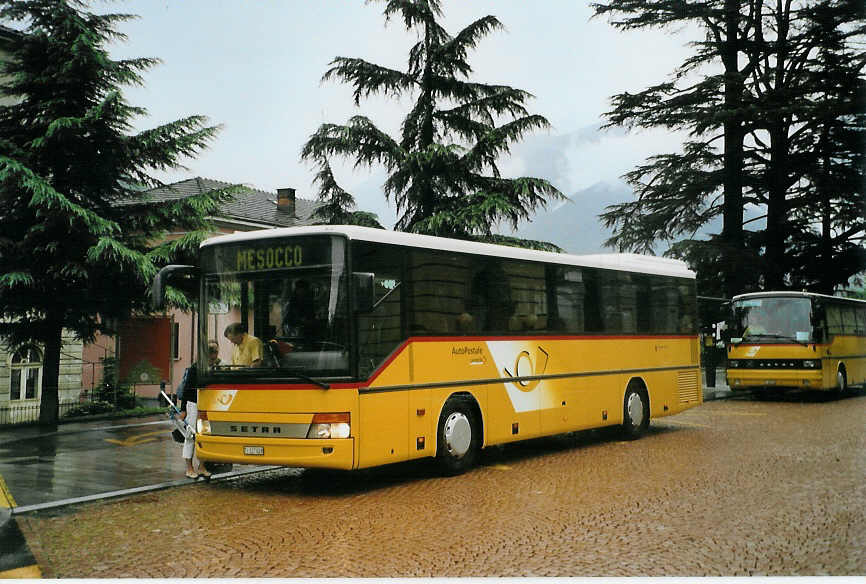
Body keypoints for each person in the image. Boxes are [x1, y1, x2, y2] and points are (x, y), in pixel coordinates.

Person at [176, 341, 220, 479]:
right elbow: (187, 390)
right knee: (190, 436)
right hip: (193, 404)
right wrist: (183, 411)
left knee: (205, 436)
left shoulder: (214, 368)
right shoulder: (195, 369)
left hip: (207, 405)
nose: (215, 356)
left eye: (216, 353)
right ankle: (189, 467)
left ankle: (201, 466)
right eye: (213, 353)